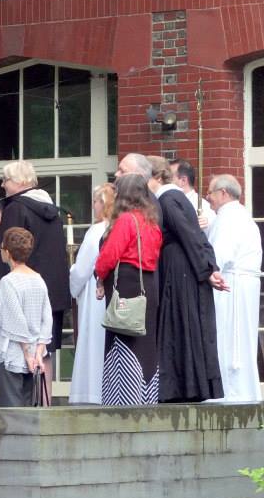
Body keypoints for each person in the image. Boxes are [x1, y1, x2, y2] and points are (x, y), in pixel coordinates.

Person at [148, 156, 228, 402]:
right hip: (182, 266)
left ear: (156, 177)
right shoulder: (174, 198)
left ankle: (180, 388)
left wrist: (208, 268)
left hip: (178, 269)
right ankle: (185, 386)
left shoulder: (169, 199)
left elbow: (189, 234)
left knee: (179, 324)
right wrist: (208, 266)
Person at [0, 161, 69, 368]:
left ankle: (22, 402)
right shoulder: (51, 209)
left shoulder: (16, 208)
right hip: (51, 290)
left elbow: (5, 249)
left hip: (21, 290)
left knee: (18, 352)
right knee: (45, 352)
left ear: (21, 181)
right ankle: (45, 400)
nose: (2, 185)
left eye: (5, 179)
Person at [93, 175, 163, 405]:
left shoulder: (126, 220)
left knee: (122, 337)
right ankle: (146, 397)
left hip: (126, 283)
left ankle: (123, 400)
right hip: (149, 284)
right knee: (145, 341)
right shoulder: (151, 222)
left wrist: (99, 277)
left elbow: (109, 256)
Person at [206, 175, 263, 403]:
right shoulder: (241, 216)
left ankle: (230, 392)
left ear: (224, 193)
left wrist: (207, 272)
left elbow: (219, 254)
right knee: (242, 341)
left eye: (210, 192)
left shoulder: (228, 218)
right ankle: (243, 390)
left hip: (230, 285)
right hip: (242, 285)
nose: (207, 197)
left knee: (228, 336)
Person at [0, 227, 53, 407]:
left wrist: (27, 354)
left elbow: (15, 321)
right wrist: (38, 353)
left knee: (12, 415)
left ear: (7, 252)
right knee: (28, 414)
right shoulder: (38, 279)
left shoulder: (8, 281)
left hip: (13, 354)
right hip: (34, 355)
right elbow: (47, 318)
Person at [68, 184, 116, 405]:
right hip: (110, 292)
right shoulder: (117, 228)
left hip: (94, 292)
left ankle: (91, 392)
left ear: (104, 204)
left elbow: (82, 269)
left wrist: (73, 282)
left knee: (93, 340)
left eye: (96, 202)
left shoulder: (96, 231)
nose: (93, 206)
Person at [170, 158, 215, 231]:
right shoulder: (171, 203)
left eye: (169, 178)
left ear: (183, 181)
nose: (166, 182)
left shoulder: (204, 209)